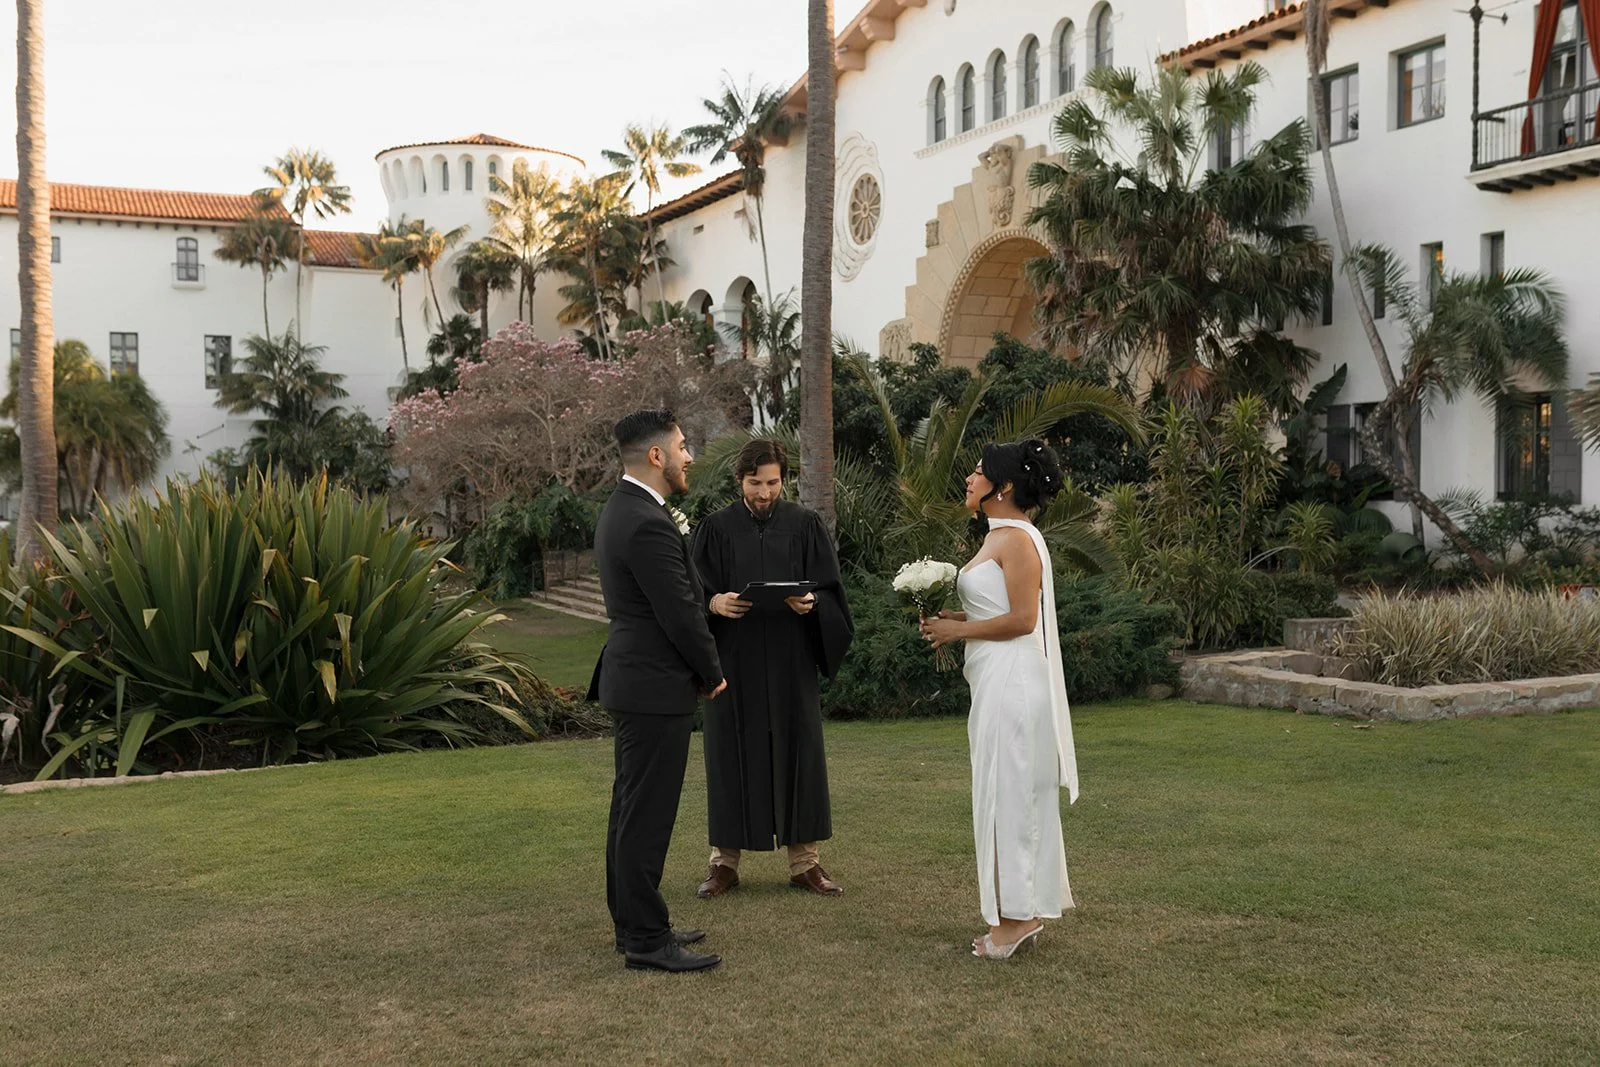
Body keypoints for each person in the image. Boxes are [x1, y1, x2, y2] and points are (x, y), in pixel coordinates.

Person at [920, 439, 1080, 960]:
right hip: (995, 679)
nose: (969, 477)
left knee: (1010, 795)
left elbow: (1022, 621)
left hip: (1014, 683)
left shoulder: (1017, 540)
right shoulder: (999, 536)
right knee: (1001, 791)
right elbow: (998, 609)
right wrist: (954, 621)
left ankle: (1017, 919)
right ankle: (1018, 910)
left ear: (1004, 486)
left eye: (979, 470)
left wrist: (956, 634)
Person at [588, 409, 727, 973]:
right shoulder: (646, 520)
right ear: (656, 456)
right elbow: (681, 612)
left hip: (636, 680)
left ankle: (634, 923)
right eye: (683, 445)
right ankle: (646, 937)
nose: (688, 455)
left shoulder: (624, 510)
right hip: (652, 684)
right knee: (645, 816)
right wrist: (711, 671)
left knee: (630, 809)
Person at [691, 439, 854, 898]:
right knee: (728, 755)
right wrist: (713, 601)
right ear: (739, 480)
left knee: (798, 751)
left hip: (790, 663)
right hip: (733, 662)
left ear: (784, 479)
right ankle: (723, 863)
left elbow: (832, 592)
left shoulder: (805, 526)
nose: (764, 493)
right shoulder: (715, 529)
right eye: (755, 483)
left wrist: (813, 603)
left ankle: (806, 863)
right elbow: (690, 594)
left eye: (773, 483)